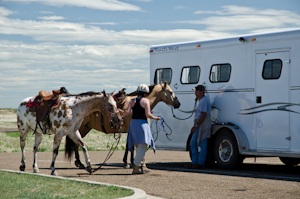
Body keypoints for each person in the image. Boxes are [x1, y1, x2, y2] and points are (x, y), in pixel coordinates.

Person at [123, 84, 161, 174]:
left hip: (133, 124)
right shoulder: (146, 101)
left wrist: (120, 112)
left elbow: (127, 113)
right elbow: (148, 115)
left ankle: (140, 166)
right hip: (142, 124)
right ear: (145, 93)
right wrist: (156, 118)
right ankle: (136, 165)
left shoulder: (132, 100)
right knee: (143, 145)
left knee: (137, 145)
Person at [185, 85, 211, 169]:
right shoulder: (202, 100)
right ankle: (195, 162)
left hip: (202, 123)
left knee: (202, 143)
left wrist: (196, 125)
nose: (195, 93)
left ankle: (200, 162)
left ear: (201, 92)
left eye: (196, 91)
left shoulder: (203, 101)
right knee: (194, 143)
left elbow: (203, 115)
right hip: (200, 122)